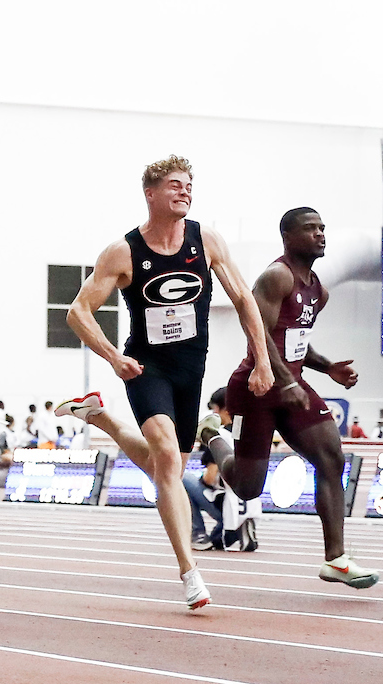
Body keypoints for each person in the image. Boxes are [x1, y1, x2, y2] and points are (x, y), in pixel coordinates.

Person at [55, 155, 273, 610]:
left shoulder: (206, 240)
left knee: (164, 469)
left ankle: (103, 419)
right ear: (150, 194)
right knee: (170, 459)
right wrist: (114, 357)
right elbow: (77, 312)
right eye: (175, 184)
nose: (185, 191)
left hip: (190, 371)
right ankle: (190, 572)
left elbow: (244, 300)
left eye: (189, 185)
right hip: (145, 366)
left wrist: (261, 360)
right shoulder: (124, 252)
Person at [198, 208, 377, 589]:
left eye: (323, 228)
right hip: (255, 389)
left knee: (332, 457)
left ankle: (336, 559)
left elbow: (294, 341)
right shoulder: (277, 276)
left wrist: (327, 367)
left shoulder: (319, 290)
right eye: (310, 229)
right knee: (247, 487)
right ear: (287, 237)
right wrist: (285, 381)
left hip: (292, 386)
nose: (321, 235)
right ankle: (214, 434)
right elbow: (258, 334)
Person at [184, 387, 260, 552]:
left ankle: (198, 534)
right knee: (218, 541)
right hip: (250, 503)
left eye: (214, 409)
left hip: (226, 503)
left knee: (181, 478)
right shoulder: (251, 432)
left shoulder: (218, 437)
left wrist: (203, 479)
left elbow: (210, 478)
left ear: (224, 410)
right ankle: (231, 530)